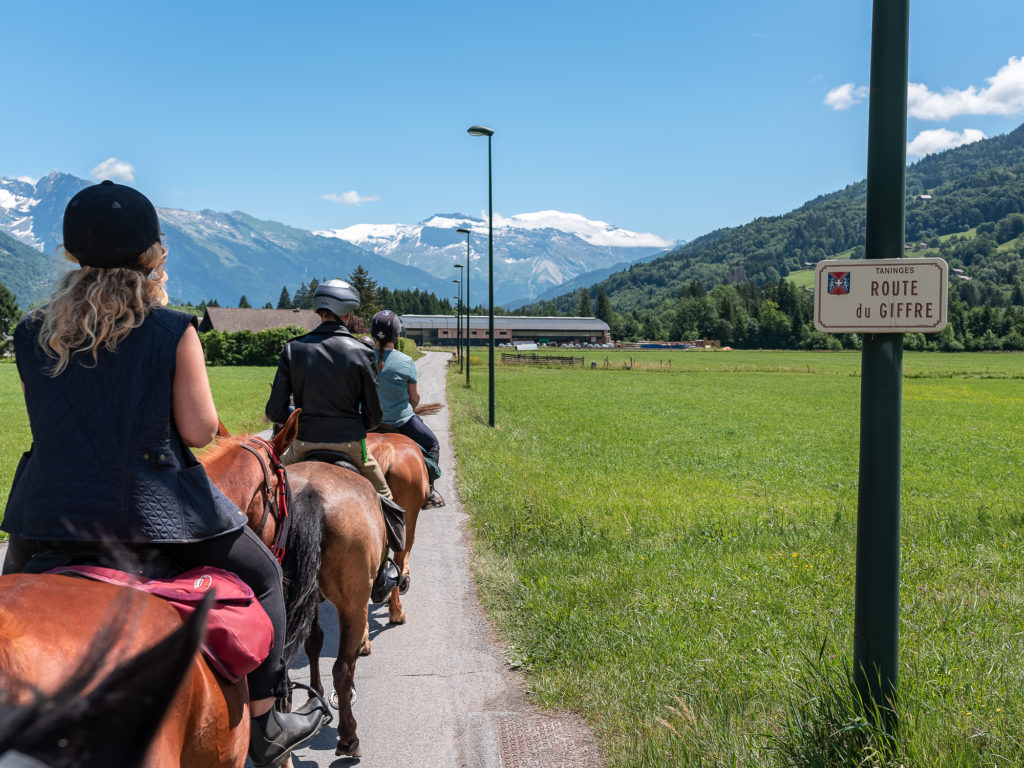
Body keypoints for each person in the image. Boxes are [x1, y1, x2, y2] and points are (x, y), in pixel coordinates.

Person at [0, 180, 325, 768]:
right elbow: (201, 431)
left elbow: (45, 419)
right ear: (152, 255)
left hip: (47, 515)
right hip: (159, 517)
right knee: (266, 578)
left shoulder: (30, 331)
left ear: (73, 253)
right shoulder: (172, 329)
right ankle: (269, 721)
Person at [264, 280, 395, 501]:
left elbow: (274, 413)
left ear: (320, 311)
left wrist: (298, 416)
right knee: (386, 499)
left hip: (303, 444)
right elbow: (374, 417)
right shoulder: (364, 352)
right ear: (347, 311)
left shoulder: (293, 349)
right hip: (352, 444)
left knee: (267, 491)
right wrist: (350, 425)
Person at [369, 309, 444, 508]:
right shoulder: (406, 361)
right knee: (432, 444)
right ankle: (429, 489)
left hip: (366, 422)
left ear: (372, 333)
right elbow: (414, 398)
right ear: (397, 334)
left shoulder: (360, 357)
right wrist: (407, 407)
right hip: (400, 422)